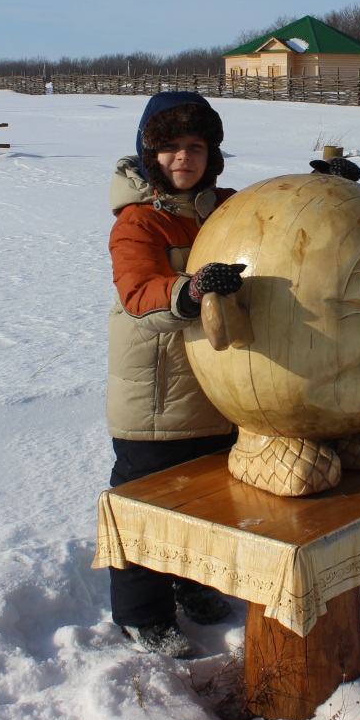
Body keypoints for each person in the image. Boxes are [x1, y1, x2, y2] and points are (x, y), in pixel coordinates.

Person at [105, 91, 246, 657]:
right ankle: (142, 614)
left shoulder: (229, 208)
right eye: (168, 148)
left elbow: (283, 223)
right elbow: (138, 293)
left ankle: (193, 585)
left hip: (219, 388)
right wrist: (190, 290)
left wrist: (333, 190)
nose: (182, 158)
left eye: (195, 146)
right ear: (148, 154)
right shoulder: (137, 222)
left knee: (212, 503)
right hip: (157, 396)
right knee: (147, 508)